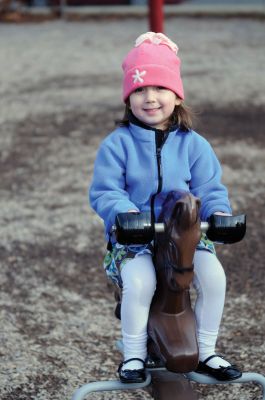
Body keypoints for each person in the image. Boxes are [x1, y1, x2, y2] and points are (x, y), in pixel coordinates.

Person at [89, 32, 242, 384]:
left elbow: (209, 187)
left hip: (185, 236)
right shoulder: (118, 145)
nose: (150, 97)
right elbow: (105, 190)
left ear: (176, 93)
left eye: (159, 88)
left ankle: (206, 350)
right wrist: (126, 213)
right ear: (129, 98)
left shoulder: (194, 145)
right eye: (140, 90)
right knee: (140, 282)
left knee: (214, 278)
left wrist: (218, 214)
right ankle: (133, 355)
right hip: (136, 237)